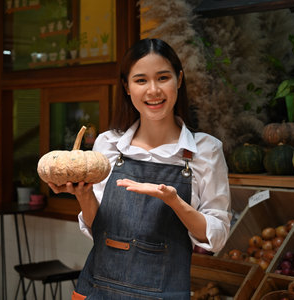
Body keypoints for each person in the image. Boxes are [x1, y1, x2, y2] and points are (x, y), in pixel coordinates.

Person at [49, 38, 232, 299]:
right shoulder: (108, 144)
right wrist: (82, 193)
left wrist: (174, 201)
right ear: (126, 86)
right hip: (98, 290)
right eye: (141, 80)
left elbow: (218, 236)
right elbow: (97, 230)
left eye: (163, 77)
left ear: (179, 80)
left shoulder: (205, 150)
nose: (153, 90)